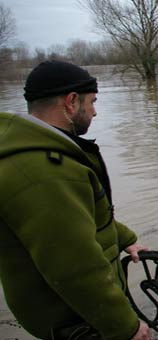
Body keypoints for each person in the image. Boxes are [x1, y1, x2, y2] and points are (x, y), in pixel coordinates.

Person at [0, 60, 150, 340]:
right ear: (71, 102)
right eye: (92, 102)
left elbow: (81, 218)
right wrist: (125, 327)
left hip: (75, 314)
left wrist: (125, 238)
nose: (94, 111)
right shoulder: (43, 172)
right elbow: (75, 267)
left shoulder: (46, 152)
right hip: (75, 321)